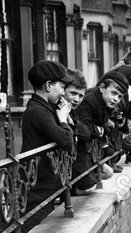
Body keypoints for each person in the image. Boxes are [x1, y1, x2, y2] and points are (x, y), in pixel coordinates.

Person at [21, 60, 75, 215]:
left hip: (43, 184)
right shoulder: (38, 111)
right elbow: (67, 142)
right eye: (62, 87)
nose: (64, 93)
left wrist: (67, 119)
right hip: (36, 188)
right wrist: (63, 119)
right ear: (48, 86)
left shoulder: (47, 108)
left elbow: (77, 134)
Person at [63, 69, 97, 195]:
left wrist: (72, 121)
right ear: (62, 90)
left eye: (81, 96)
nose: (77, 99)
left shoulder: (71, 111)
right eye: (73, 93)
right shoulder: (58, 110)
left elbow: (86, 134)